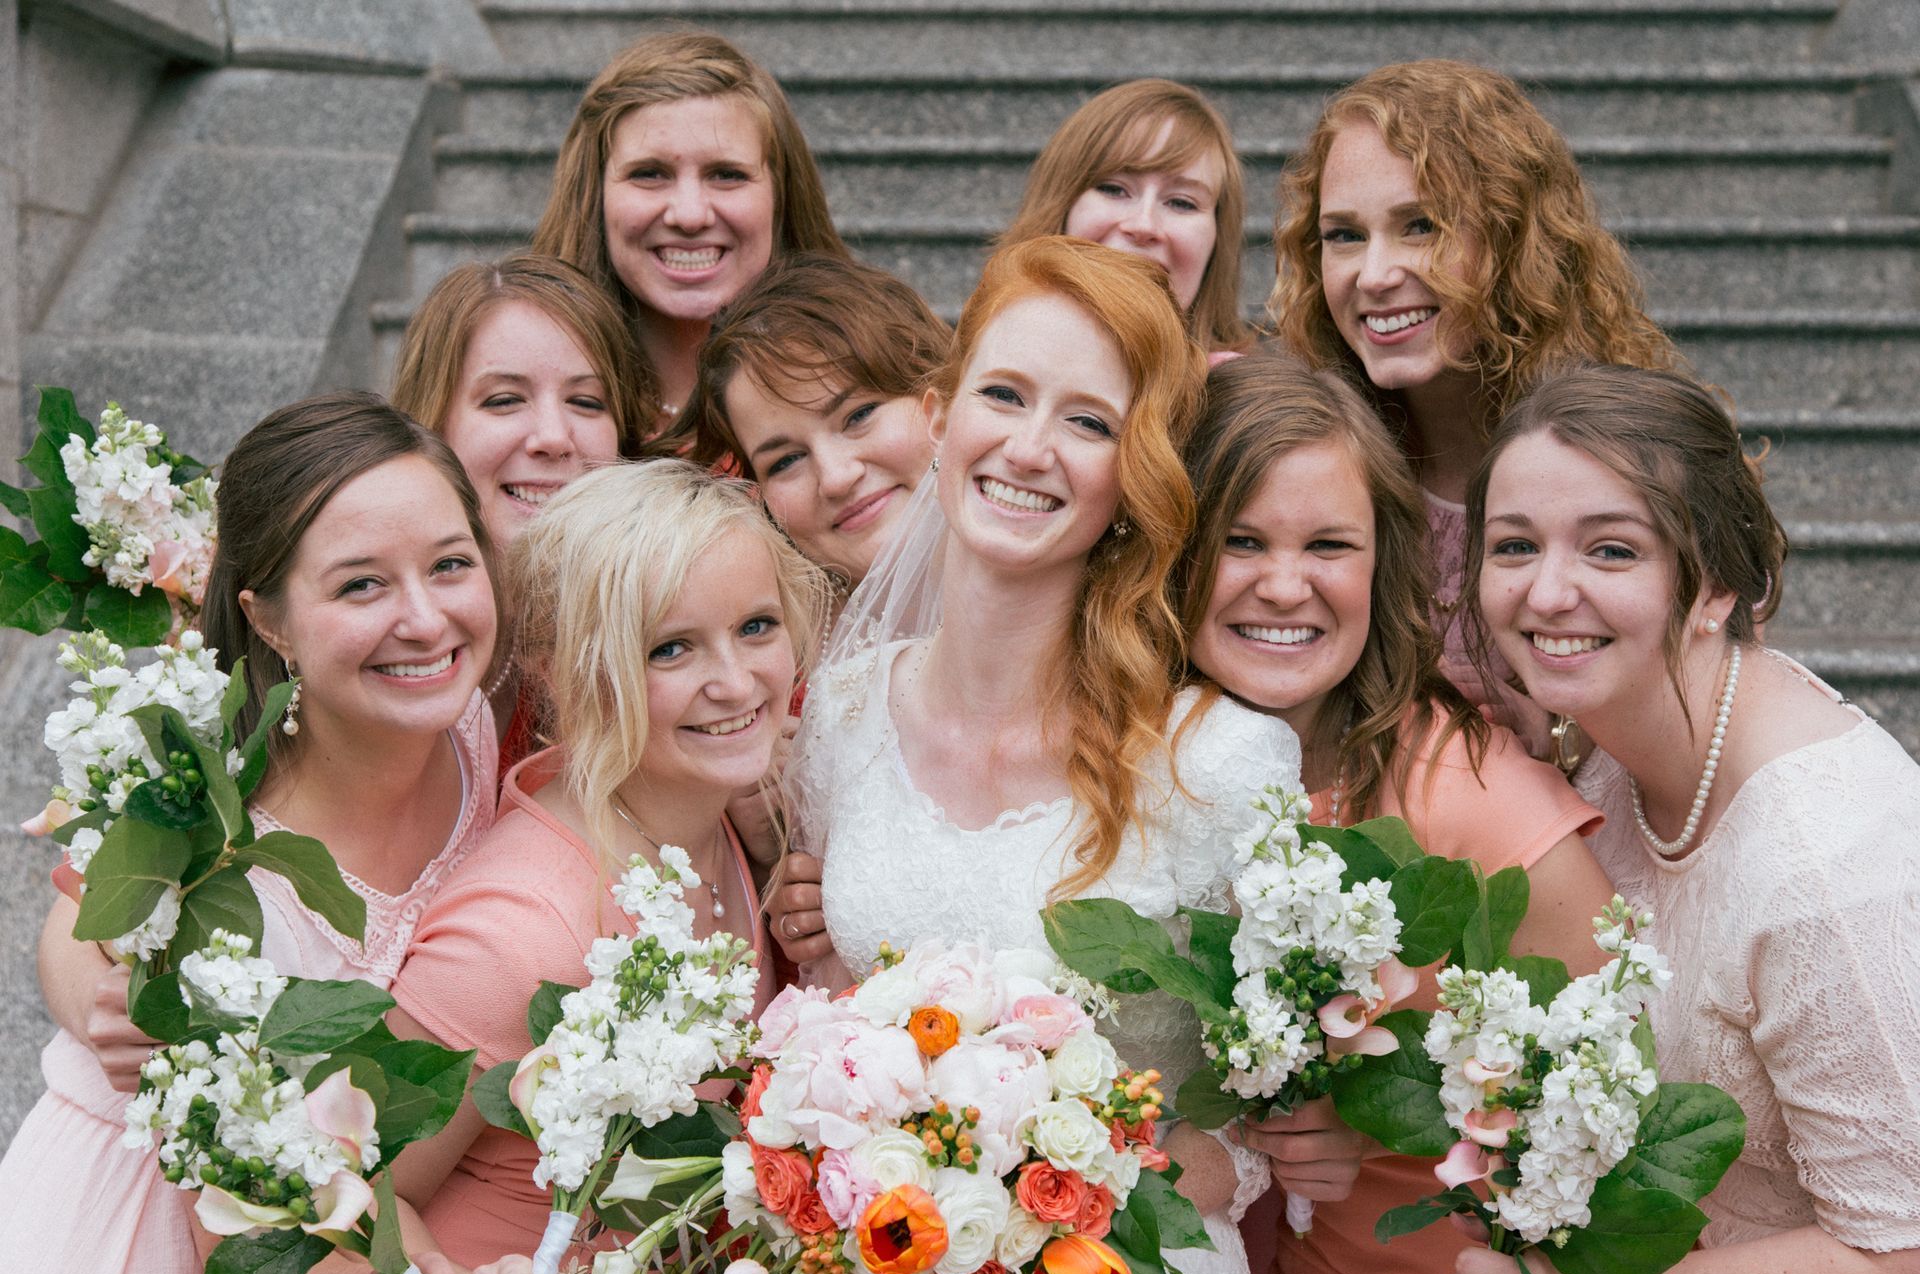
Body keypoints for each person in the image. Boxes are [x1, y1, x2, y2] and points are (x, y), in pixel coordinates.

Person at [779, 235, 1294, 1274]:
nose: (1029, 447)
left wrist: (1027, 1198)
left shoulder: (1226, 762)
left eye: (1089, 422)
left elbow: (1268, 1121)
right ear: (939, 416)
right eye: (1005, 394)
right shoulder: (842, 709)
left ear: (1135, 470)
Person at [0, 392, 501, 1274]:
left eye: (451, 565)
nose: (425, 620)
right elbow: (78, 919)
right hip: (136, 1213)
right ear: (268, 619)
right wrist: (96, 1007)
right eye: (361, 584)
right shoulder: (213, 808)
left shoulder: (474, 729)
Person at [1454, 364, 1920, 1274]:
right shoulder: (1616, 746)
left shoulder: (1824, 868)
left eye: (1612, 550)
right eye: (1513, 546)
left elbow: (1901, 1250)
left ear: (1712, 585)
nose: (1546, 593)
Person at [1169, 353, 1614, 1274]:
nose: (1285, 587)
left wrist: (1379, 1124)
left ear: (1386, 561)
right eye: (1241, 543)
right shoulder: (1142, 767)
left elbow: (1609, 1111)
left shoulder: (1478, 807)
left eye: (1328, 546)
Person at [384, 460, 826, 1274]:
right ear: (562, 674)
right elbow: (355, 1190)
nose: (735, 681)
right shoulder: (516, 934)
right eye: (669, 648)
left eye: (757, 626)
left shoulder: (716, 814)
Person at [1267, 60, 1681, 754]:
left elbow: (1716, 686)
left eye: (1420, 226)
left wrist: (1570, 738)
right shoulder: (1310, 455)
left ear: (1512, 237)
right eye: (1344, 235)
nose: (1373, 275)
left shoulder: (1637, 452)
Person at [392, 252, 655, 762]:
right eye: (505, 400)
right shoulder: (367, 617)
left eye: (586, 402)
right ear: (429, 422)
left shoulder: (656, 629)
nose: (554, 439)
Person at [531, 31, 848, 437]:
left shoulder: (872, 379)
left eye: (726, 175)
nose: (690, 215)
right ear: (593, 197)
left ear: (780, 195)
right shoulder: (529, 407)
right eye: (649, 174)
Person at [683, 253, 948, 598]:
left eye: (858, 416)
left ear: (939, 396)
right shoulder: (764, 646)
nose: (836, 478)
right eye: (786, 461)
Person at [1002, 79, 1251, 357]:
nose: (1144, 225)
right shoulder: (971, 372)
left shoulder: (1243, 400)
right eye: (1114, 189)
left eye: (1181, 203)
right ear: (1060, 203)